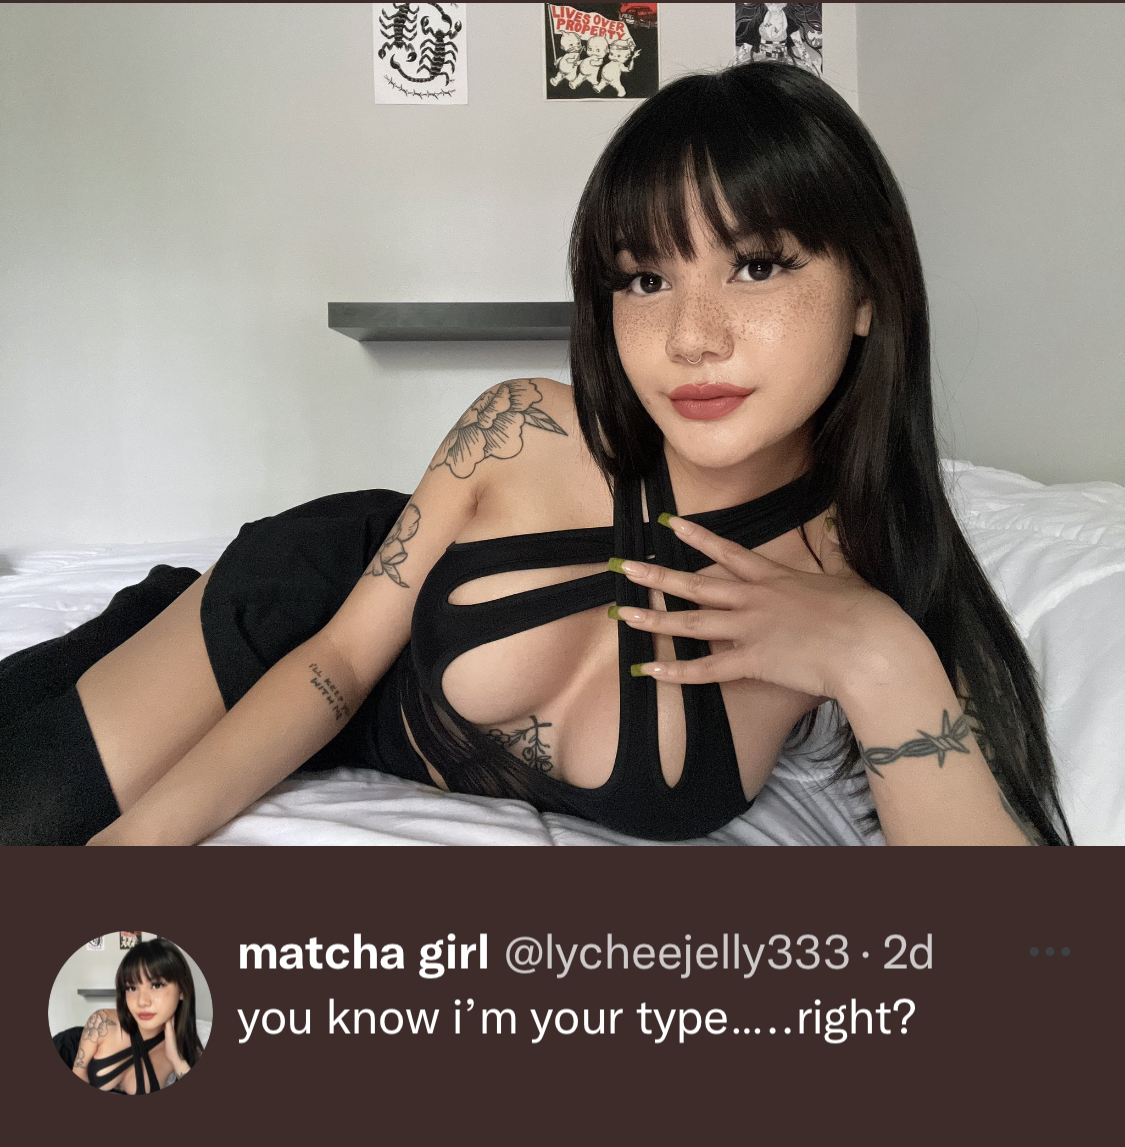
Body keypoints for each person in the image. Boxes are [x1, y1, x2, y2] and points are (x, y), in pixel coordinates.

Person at [0, 61, 1073, 847]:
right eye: (644, 279)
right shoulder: (519, 427)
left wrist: (875, 659)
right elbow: (338, 662)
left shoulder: (874, 572)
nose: (691, 337)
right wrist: (136, 849)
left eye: (755, 265)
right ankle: (165, 609)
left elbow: (1010, 969)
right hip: (300, 608)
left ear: (869, 292)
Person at [70, 939, 204, 1093]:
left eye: (156, 985)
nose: (141, 1002)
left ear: (182, 991)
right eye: (132, 988)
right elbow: (78, 1074)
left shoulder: (187, 1048)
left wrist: (177, 1060)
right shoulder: (102, 1022)